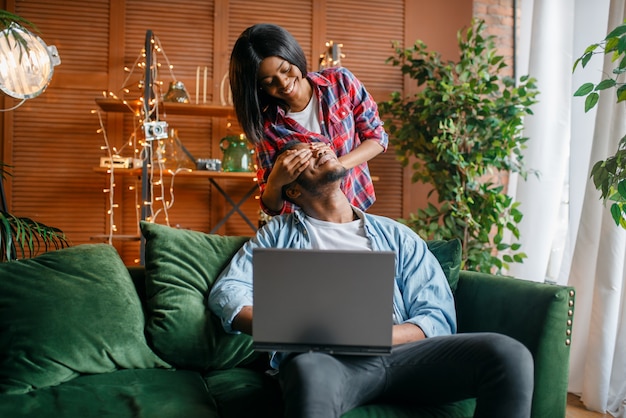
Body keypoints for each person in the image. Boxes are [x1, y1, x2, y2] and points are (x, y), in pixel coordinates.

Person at [208, 141, 535, 418]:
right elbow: (228, 292)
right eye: (303, 158)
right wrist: (291, 331)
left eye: (320, 147)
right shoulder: (277, 236)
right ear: (292, 189)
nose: (319, 151)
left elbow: (436, 316)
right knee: (307, 373)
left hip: (407, 357)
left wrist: (373, 336)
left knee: (507, 353)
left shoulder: (398, 236)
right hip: (325, 362)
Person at [228, 23, 387, 215]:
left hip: (358, 207)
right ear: (258, 87)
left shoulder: (341, 82)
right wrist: (276, 181)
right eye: (270, 82)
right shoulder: (268, 126)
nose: (284, 83)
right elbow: (271, 206)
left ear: (292, 54)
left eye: (285, 70)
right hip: (308, 223)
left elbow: (378, 138)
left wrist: (336, 165)